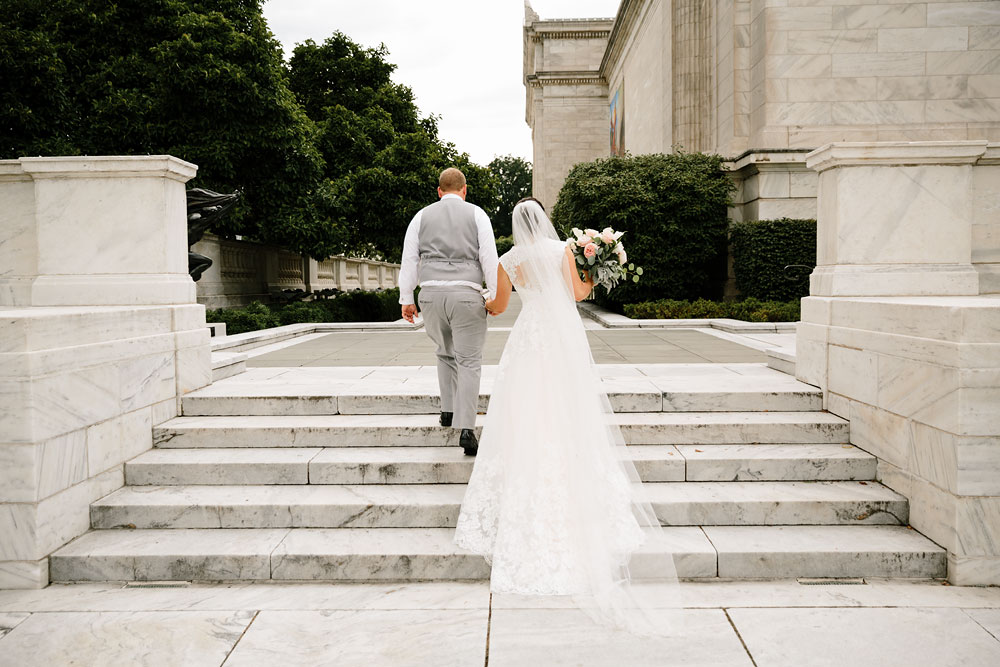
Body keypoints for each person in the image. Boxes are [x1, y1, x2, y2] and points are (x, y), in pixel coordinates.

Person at [453, 198, 680, 634]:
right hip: (561, 339)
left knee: (527, 411)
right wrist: (595, 265)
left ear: (516, 226)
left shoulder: (509, 259)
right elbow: (578, 294)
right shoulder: (562, 251)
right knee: (568, 407)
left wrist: (484, 298)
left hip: (529, 338)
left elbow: (499, 306)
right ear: (544, 218)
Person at [398, 167, 499, 456]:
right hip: (465, 293)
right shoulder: (477, 214)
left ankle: (447, 412)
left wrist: (407, 298)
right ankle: (466, 429)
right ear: (464, 190)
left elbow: (410, 258)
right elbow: (488, 257)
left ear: (439, 191)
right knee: (469, 361)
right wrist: (492, 294)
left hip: (430, 294)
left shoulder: (421, 216)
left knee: (444, 353)